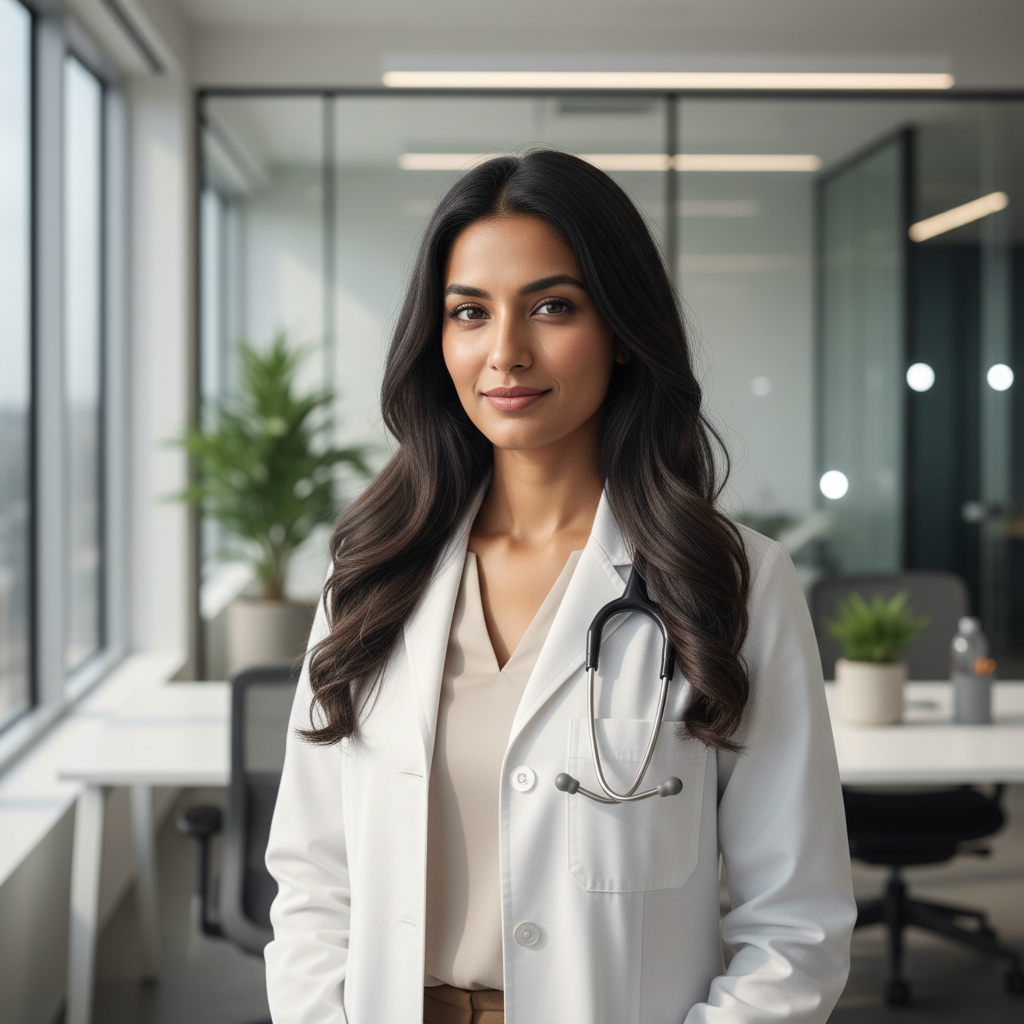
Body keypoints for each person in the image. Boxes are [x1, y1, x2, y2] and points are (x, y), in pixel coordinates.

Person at [264, 149, 856, 1024]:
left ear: (619, 329)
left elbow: (796, 925)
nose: (505, 352)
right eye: (470, 312)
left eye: (551, 306)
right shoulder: (372, 571)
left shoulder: (731, 581)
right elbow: (313, 878)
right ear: (439, 339)